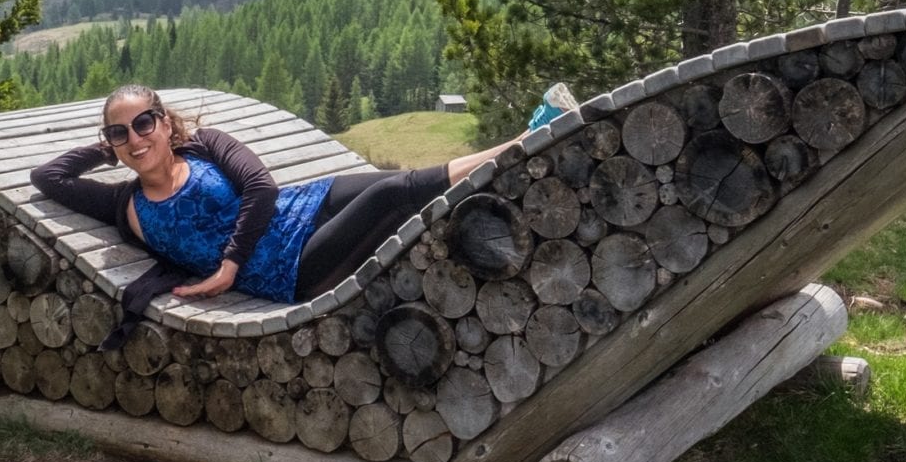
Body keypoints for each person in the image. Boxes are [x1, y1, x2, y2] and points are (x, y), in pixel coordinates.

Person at [29, 85, 533, 324]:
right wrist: (114, 147)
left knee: (394, 179)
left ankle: (519, 147)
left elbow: (262, 187)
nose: (135, 138)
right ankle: (520, 147)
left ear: (164, 121)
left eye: (144, 124)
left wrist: (228, 265)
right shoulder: (125, 202)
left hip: (302, 207)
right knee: (391, 196)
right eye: (121, 131)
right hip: (290, 268)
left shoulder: (202, 143)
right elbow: (47, 176)